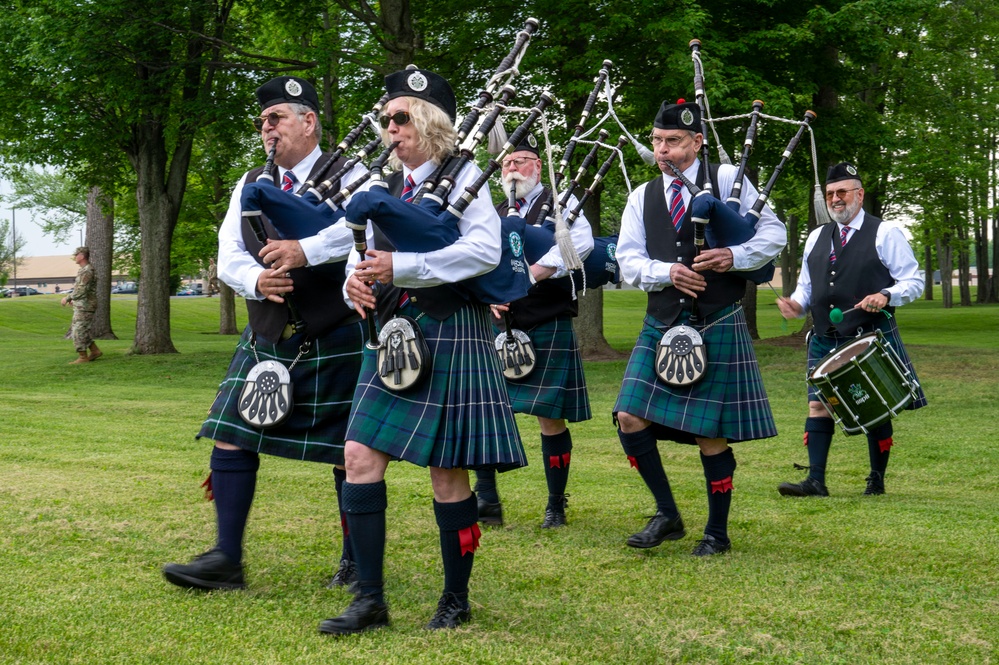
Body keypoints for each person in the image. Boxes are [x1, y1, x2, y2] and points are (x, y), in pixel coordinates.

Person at [318, 68, 526, 636]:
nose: (389, 128)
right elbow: (355, 252)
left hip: (449, 328)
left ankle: (455, 599)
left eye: (399, 117)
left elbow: (484, 252)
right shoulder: (388, 188)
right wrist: (352, 284)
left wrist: (403, 267)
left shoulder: (468, 183)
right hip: (389, 330)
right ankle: (370, 598)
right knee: (358, 457)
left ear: (430, 121)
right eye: (385, 119)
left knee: (446, 474)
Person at [162, 76, 369, 592]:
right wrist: (255, 278)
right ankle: (226, 558)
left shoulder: (355, 175)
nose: (266, 129)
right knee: (230, 435)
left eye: (275, 118)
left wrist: (306, 250)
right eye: (262, 122)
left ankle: (354, 558)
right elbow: (229, 249)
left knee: (346, 450)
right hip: (269, 328)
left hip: (335, 326)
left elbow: (361, 229)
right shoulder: (252, 179)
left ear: (309, 121)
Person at [613, 100, 786, 556]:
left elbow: (773, 233)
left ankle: (717, 533)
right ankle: (667, 512)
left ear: (697, 141)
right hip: (662, 318)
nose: (663, 150)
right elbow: (627, 260)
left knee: (711, 432)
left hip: (717, 318)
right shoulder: (642, 196)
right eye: (657, 141)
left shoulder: (727, 179)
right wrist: (665, 271)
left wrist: (734, 256)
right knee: (629, 415)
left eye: (673, 142)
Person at [776, 162, 926, 497]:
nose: (836, 199)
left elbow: (914, 281)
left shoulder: (885, 233)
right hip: (824, 336)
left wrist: (887, 294)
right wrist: (797, 304)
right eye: (830, 194)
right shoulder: (816, 236)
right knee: (818, 404)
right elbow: (806, 287)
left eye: (842, 191)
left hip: (868, 336)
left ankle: (876, 479)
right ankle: (816, 480)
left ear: (859, 194)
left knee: (874, 405)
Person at [474, 134, 593, 529]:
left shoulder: (561, 202)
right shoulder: (488, 209)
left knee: (548, 417)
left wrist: (532, 274)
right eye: (508, 163)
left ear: (538, 167)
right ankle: (487, 499)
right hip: (496, 322)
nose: (513, 169)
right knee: (484, 411)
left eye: (522, 161)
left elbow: (582, 243)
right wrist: (487, 293)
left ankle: (555, 505)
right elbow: (474, 256)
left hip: (546, 318)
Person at [60, 246, 101, 364]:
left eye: (76, 255)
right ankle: (95, 351)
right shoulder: (84, 270)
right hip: (82, 304)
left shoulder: (87, 270)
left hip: (86, 306)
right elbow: (82, 290)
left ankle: (83, 357)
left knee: (78, 331)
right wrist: (76, 300)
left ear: (82, 256)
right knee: (81, 330)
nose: (74, 257)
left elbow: (82, 290)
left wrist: (68, 298)